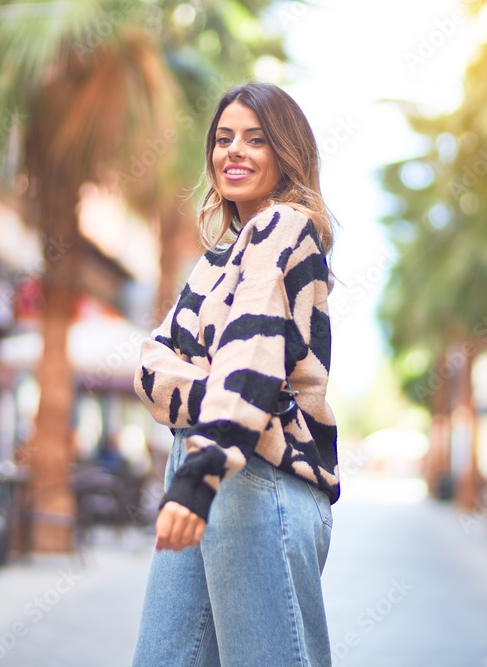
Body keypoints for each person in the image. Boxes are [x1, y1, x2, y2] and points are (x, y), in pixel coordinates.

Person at [131, 81, 339, 667]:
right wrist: (226, 390)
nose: (234, 152)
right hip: (207, 461)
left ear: (286, 154)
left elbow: (250, 355)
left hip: (254, 479)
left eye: (255, 139)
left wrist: (200, 473)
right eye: (223, 140)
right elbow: (151, 368)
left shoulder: (285, 228)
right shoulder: (214, 264)